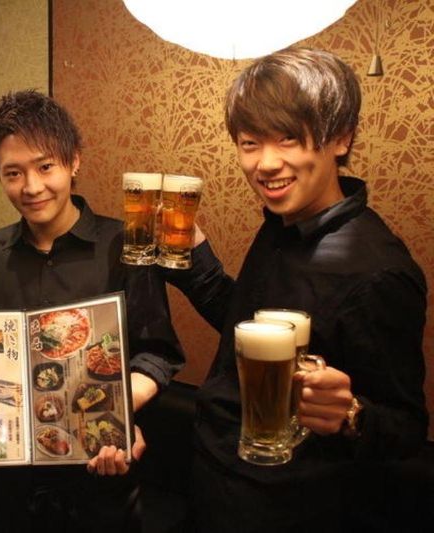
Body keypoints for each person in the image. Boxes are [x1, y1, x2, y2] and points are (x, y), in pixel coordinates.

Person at [166, 47, 428, 532]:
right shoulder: (281, 226)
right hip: (212, 481)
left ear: (341, 137)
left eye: (288, 137)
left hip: (286, 508)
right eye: (250, 143)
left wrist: (351, 412)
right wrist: (194, 259)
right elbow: (245, 331)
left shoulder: (378, 271)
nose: (266, 164)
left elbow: (407, 429)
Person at [0, 90, 185, 533]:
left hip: (102, 473)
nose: (31, 187)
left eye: (45, 167)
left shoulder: (125, 246)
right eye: (13, 173)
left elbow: (157, 354)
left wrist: (117, 412)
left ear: (74, 161)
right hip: (15, 485)